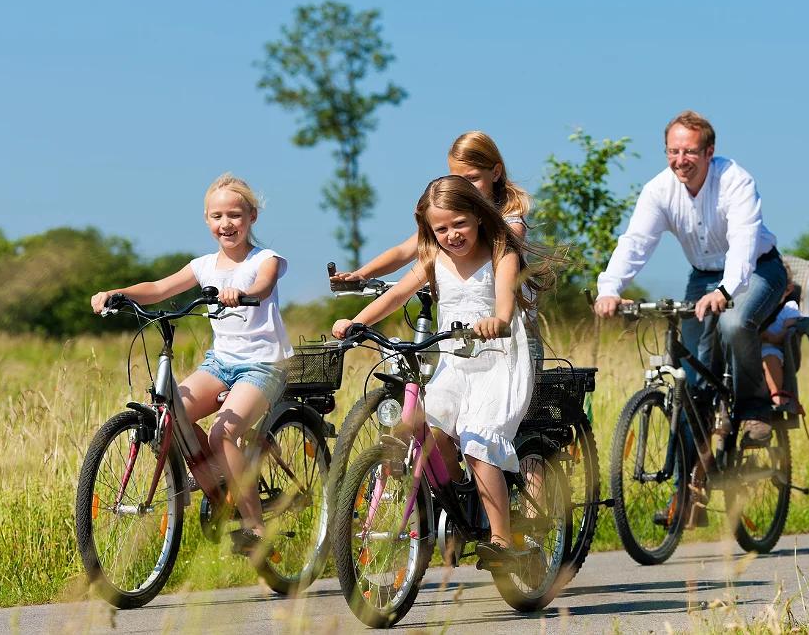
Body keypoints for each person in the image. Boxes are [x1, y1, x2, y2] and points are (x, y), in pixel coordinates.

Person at [331, 175, 551, 569]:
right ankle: (462, 500)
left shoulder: (502, 255)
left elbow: (504, 303)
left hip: (499, 364)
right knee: (431, 432)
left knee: (479, 443)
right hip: (454, 363)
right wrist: (356, 322)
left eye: (459, 224)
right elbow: (397, 294)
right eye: (441, 228)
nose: (452, 235)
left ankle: (503, 541)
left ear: (479, 216)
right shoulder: (434, 259)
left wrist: (498, 320)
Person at [90, 173, 293, 556]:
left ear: (252, 217)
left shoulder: (265, 260)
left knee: (221, 434)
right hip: (221, 363)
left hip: (263, 364)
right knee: (170, 413)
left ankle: (254, 528)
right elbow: (158, 289)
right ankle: (218, 483)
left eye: (234, 214)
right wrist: (116, 293)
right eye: (217, 216)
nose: (226, 223)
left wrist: (242, 293)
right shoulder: (203, 266)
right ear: (206, 220)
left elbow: (263, 287)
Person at [594, 110, 788, 442]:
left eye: (690, 152)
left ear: (709, 153)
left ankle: (753, 408)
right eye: (673, 151)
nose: (680, 160)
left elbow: (743, 243)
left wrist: (725, 292)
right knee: (690, 381)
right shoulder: (659, 190)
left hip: (758, 270)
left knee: (734, 323)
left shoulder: (734, 180)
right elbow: (636, 242)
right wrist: (610, 289)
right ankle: (687, 484)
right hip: (702, 277)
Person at [332, 131, 544, 362]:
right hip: (461, 336)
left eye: (472, 178)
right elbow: (403, 254)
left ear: (495, 172)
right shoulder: (451, 227)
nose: (467, 187)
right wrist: (362, 274)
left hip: (512, 332)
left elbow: (499, 253)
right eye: (459, 179)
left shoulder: (510, 223)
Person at [760, 282, 802, 412]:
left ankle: (776, 391)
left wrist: (771, 336)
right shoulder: (756, 304)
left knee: (770, 356)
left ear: (788, 290)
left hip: (774, 347)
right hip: (751, 347)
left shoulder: (789, 307)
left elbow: (789, 329)